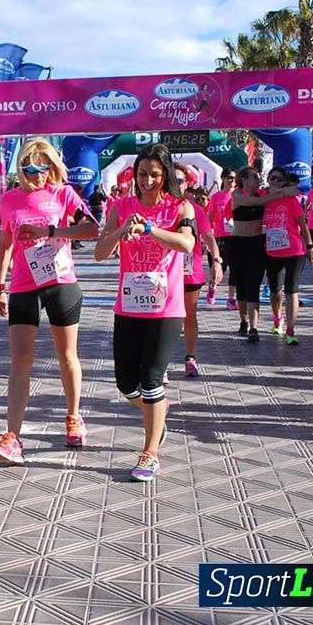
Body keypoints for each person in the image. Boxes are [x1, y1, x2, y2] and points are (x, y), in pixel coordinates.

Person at [0, 139, 98, 463]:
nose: (37, 175)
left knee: (67, 355)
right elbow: (5, 243)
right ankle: (13, 437)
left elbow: (91, 230)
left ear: (52, 167)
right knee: (20, 359)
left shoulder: (63, 194)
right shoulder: (10, 199)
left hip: (60, 283)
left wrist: (50, 232)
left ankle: (74, 417)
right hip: (24, 286)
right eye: (29, 169)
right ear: (20, 169)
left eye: (43, 168)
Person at [94, 144, 196, 482]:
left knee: (151, 380)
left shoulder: (181, 207)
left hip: (165, 309)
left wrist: (150, 229)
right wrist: (121, 230)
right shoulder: (121, 206)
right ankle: (158, 413)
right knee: (126, 383)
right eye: (141, 174)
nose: (147, 181)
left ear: (165, 175)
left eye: (154, 175)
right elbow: (99, 252)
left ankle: (150, 453)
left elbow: (187, 244)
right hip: (129, 306)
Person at [227, 166, 296, 343]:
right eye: (255, 177)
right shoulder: (237, 195)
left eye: (259, 177)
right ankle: (243, 320)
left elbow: (275, 193)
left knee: (253, 284)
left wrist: (287, 190)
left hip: (257, 243)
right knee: (241, 285)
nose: (258, 180)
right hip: (238, 244)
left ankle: (254, 327)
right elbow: (257, 202)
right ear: (244, 179)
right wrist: (282, 193)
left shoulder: (262, 194)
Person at [177, 168, 222, 376]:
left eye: (180, 180)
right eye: (172, 179)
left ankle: (190, 357)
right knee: (165, 320)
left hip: (190, 272)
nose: (176, 184)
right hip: (164, 274)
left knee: (189, 316)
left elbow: (209, 237)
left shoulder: (195, 209)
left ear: (187, 184)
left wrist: (217, 261)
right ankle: (161, 363)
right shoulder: (159, 208)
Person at [264, 172, 313, 345]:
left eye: (279, 179)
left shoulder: (291, 200)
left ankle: (291, 330)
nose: (275, 181)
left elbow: (303, 225)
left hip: (294, 250)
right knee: (275, 290)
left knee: (291, 291)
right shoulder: (263, 198)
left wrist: (310, 246)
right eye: (273, 178)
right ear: (268, 180)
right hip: (272, 251)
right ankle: (278, 319)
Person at [207, 169, 237, 308]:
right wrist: (208, 235)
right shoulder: (216, 197)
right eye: (229, 177)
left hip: (235, 235)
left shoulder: (238, 195)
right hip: (220, 235)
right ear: (223, 178)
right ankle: (212, 287)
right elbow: (210, 217)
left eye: (234, 178)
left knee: (235, 268)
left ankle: (231, 298)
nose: (232, 180)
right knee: (220, 267)